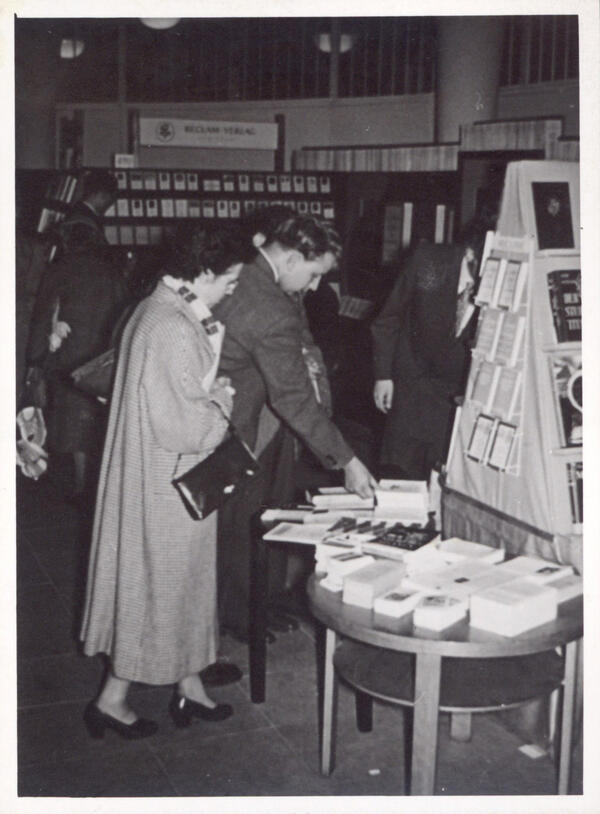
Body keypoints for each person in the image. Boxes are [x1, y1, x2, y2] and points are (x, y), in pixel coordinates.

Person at [80, 226, 246, 738]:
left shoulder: (156, 308)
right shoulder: (173, 323)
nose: (234, 288)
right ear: (203, 272)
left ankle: (189, 685)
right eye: (231, 279)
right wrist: (222, 400)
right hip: (168, 476)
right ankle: (111, 700)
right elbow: (185, 425)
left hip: (155, 470)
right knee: (159, 584)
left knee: (177, 582)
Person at [213, 214, 377, 642]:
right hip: (240, 423)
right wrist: (347, 460)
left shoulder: (253, 272)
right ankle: (234, 616)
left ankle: (253, 606)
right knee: (240, 523)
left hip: (255, 415)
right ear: (289, 258)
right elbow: (292, 396)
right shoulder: (267, 304)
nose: (315, 286)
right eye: (314, 273)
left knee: (255, 517)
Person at [27, 169, 126, 499]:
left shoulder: (59, 269)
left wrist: (35, 360)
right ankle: (92, 487)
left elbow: (43, 315)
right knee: (93, 419)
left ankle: (76, 486)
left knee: (70, 419)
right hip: (101, 351)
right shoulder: (110, 268)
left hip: (68, 350)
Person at [371, 221, 490, 480]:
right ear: (470, 253)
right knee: (400, 475)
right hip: (410, 385)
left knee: (442, 481)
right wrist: (383, 375)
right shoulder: (428, 261)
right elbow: (387, 319)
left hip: (454, 397)